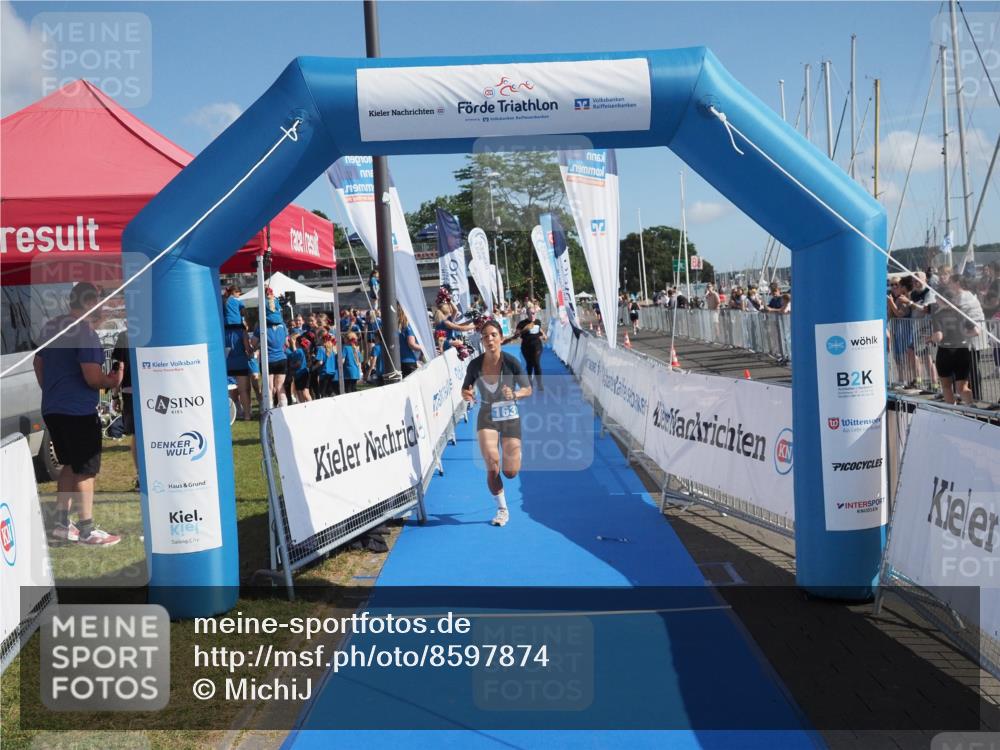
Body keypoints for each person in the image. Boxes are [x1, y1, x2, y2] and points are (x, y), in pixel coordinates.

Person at [34, 283, 122, 546]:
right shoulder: (85, 332)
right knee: (85, 469)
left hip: (53, 408)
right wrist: (113, 380)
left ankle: (62, 524)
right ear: (91, 303)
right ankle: (87, 529)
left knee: (70, 465)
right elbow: (93, 378)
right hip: (78, 411)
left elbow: (38, 362)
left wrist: (51, 389)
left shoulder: (52, 325)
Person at [462, 319, 533, 527]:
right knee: (492, 464)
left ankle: (515, 453)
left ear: (501, 338)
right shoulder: (475, 364)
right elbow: (465, 388)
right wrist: (467, 392)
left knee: (510, 472)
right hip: (487, 414)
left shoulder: (511, 362)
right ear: (482, 341)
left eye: (493, 335)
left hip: (510, 414)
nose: (490, 339)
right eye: (485, 336)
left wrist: (515, 394)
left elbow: (528, 389)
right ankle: (502, 509)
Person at [930, 274, 984, 405]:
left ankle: (953, 412)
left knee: (947, 387)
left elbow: (938, 337)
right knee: (963, 387)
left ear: (942, 300)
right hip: (962, 350)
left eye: (937, 298)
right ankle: (971, 407)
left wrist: (930, 338)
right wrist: (964, 333)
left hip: (946, 351)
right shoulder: (962, 312)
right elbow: (977, 331)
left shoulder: (938, 315)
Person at [110, 328, 139, 487]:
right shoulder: (158, 329)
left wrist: (115, 395)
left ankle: (141, 476)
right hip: (155, 391)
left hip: (131, 392)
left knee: (137, 434)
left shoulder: (125, 336)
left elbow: (119, 367)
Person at [505, 305, 547, 391]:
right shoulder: (522, 323)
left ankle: (539, 384)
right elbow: (516, 335)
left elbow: (539, 329)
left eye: (533, 313)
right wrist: (524, 330)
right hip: (526, 347)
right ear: (527, 314)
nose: (532, 315)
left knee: (536, 363)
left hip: (537, 346)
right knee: (529, 365)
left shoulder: (538, 321)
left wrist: (544, 335)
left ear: (535, 313)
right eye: (530, 314)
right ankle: (529, 382)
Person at [261, 287, 288, 407]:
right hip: (281, 359)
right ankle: (284, 409)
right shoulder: (283, 325)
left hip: (269, 360)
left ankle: (269, 410)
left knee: (270, 387)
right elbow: (286, 343)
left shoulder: (262, 326)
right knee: (280, 387)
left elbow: (254, 341)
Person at [287, 335, 312, 403]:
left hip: (302, 374)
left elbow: (297, 361)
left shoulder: (299, 351)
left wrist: (293, 344)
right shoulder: (299, 350)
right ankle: (303, 407)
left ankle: (311, 406)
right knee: (299, 392)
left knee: (304, 392)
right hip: (298, 375)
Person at [398, 309, 423, 378]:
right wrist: (425, 348)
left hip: (397, 361)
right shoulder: (408, 327)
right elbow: (412, 344)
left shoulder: (395, 326)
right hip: (409, 361)